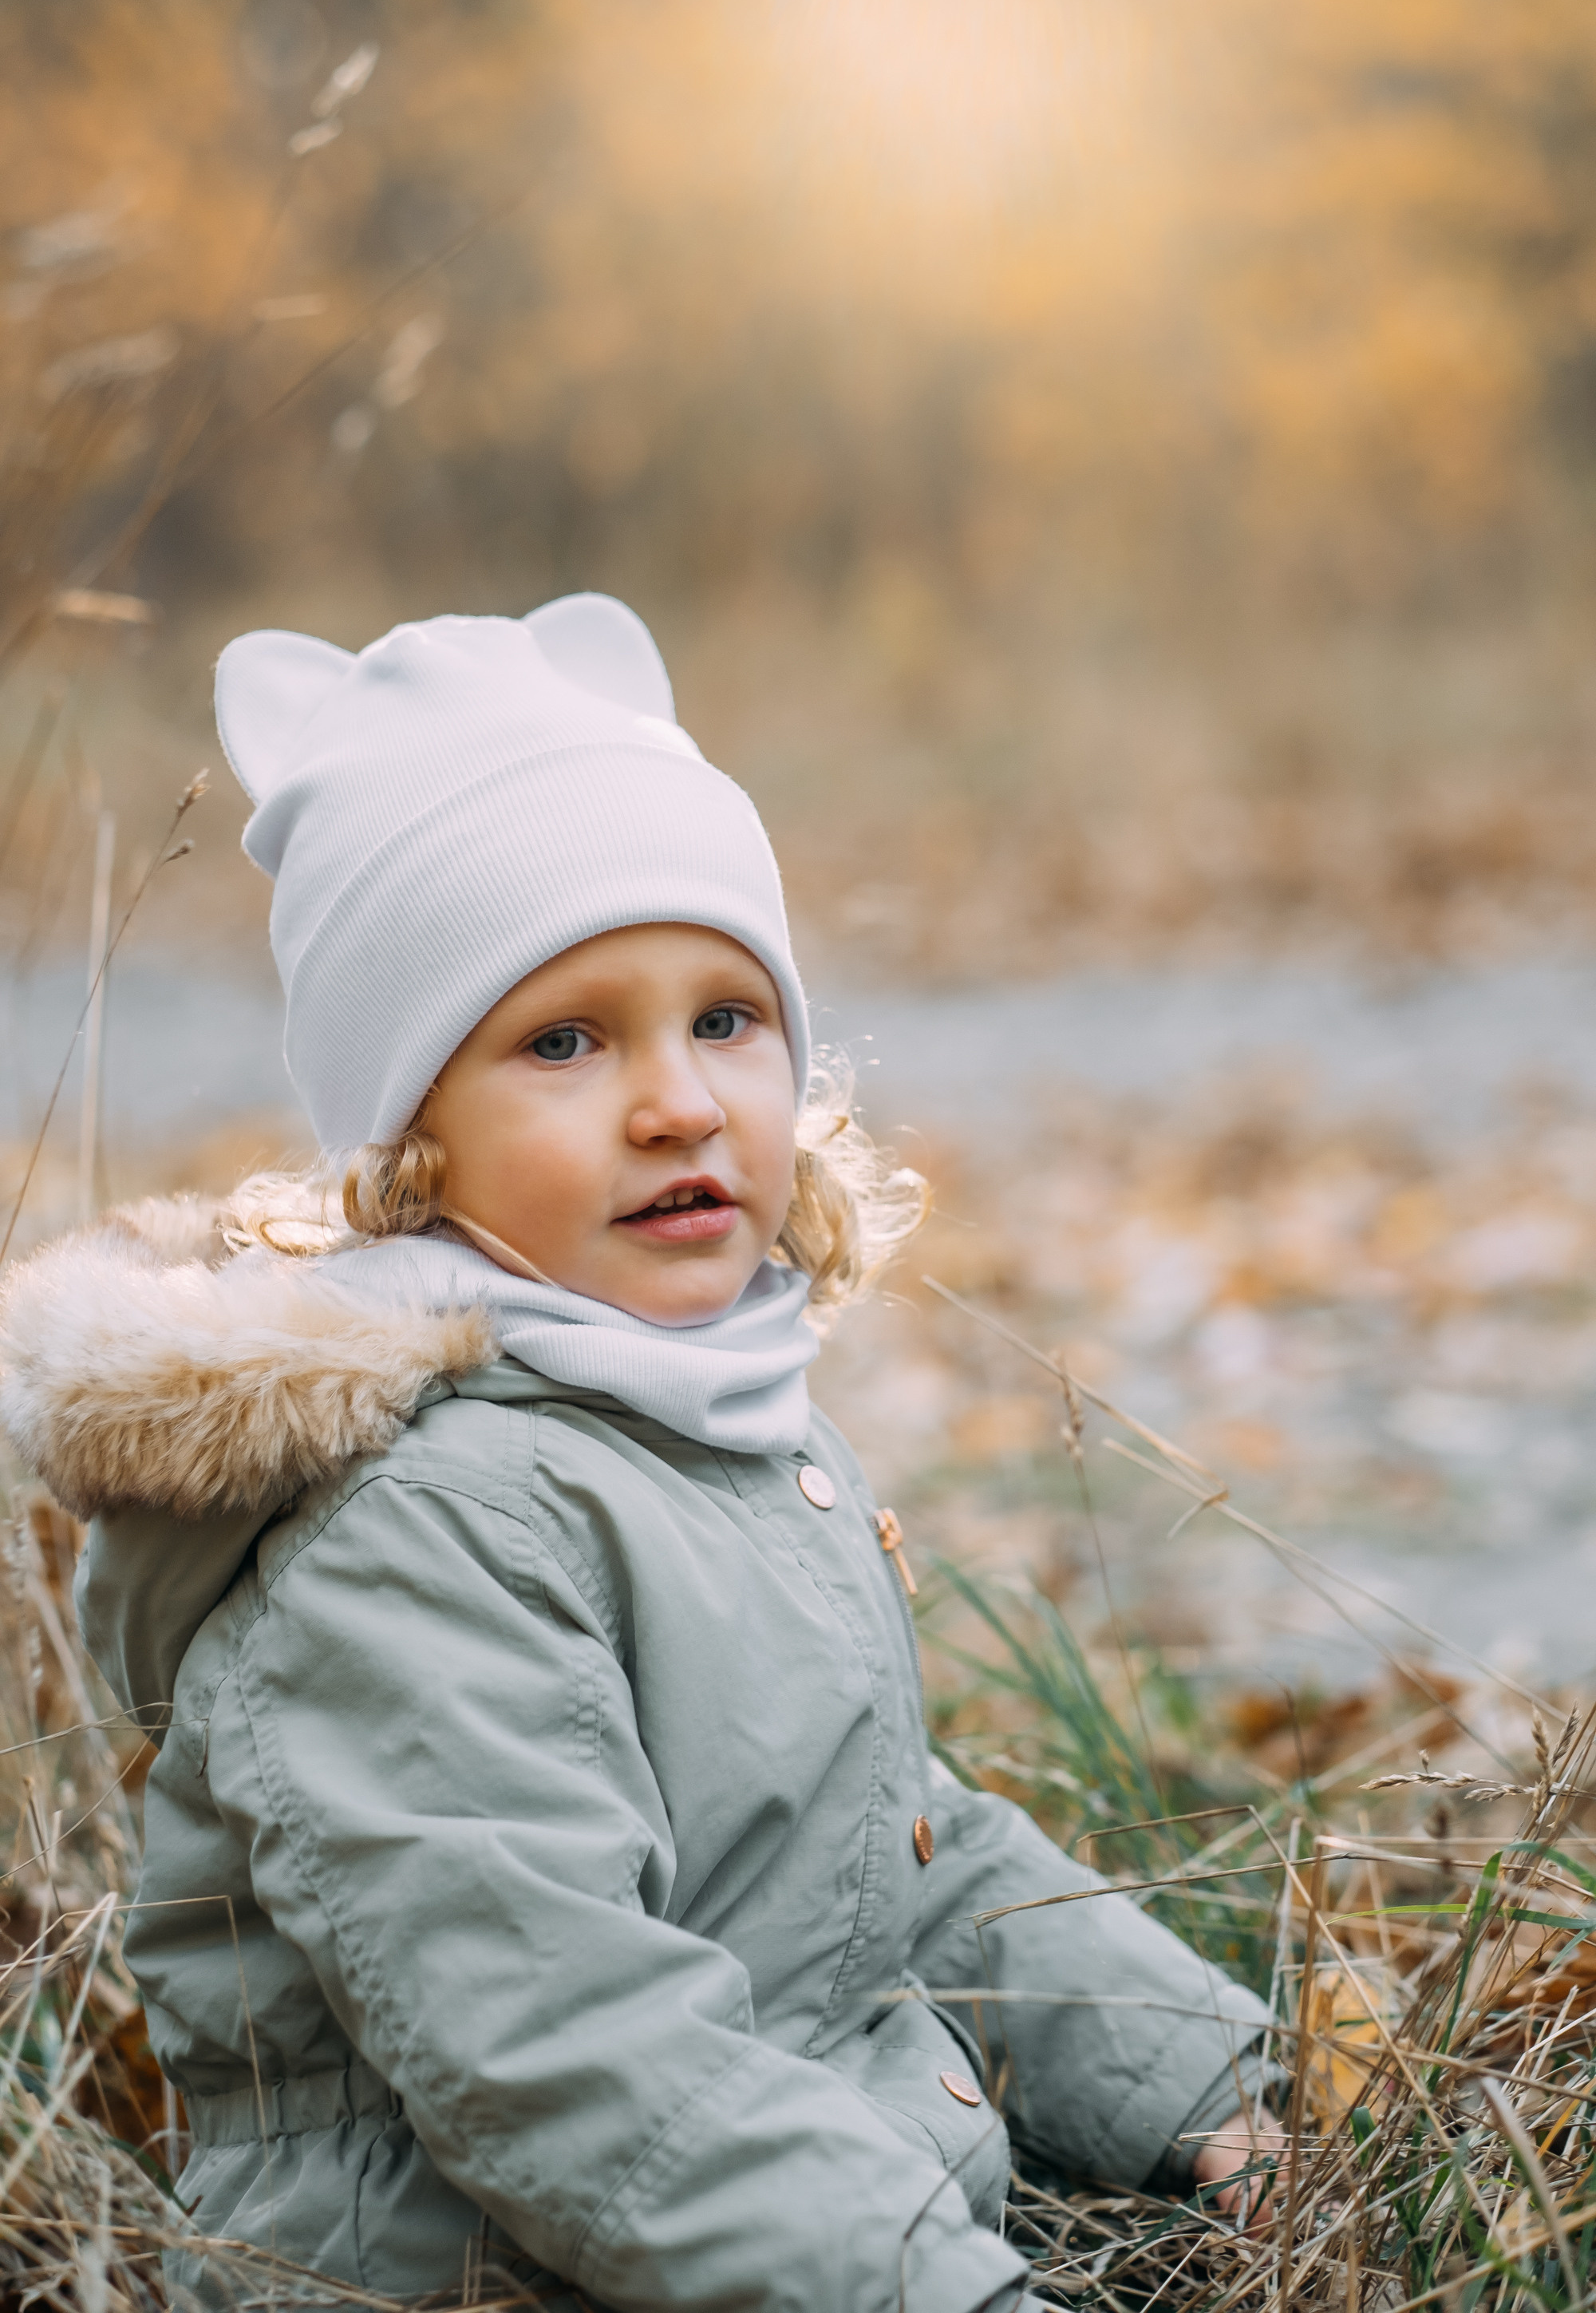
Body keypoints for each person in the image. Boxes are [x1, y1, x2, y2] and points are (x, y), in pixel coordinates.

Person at [0, 598, 1278, 2313]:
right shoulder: (414, 1538)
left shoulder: (708, 1417)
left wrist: (1191, 2087)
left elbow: (885, 1841)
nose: (677, 1100)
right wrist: (929, 2287)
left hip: (777, 2230)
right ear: (409, 1151)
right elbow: (568, 2055)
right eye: (564, 1040)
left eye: (725, 1020)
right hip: (481, 2272)